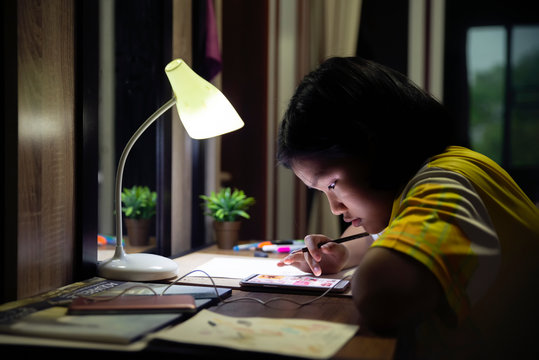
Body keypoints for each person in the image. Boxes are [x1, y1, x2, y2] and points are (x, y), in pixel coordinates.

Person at [276, 56, 539, 359]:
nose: (335, 208)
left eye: (332, 185)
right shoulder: (452, 166)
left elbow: (381, 293)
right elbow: (377, 235)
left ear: (375, 146)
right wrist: (344, 254)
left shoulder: (444, 184)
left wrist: (374, 259)